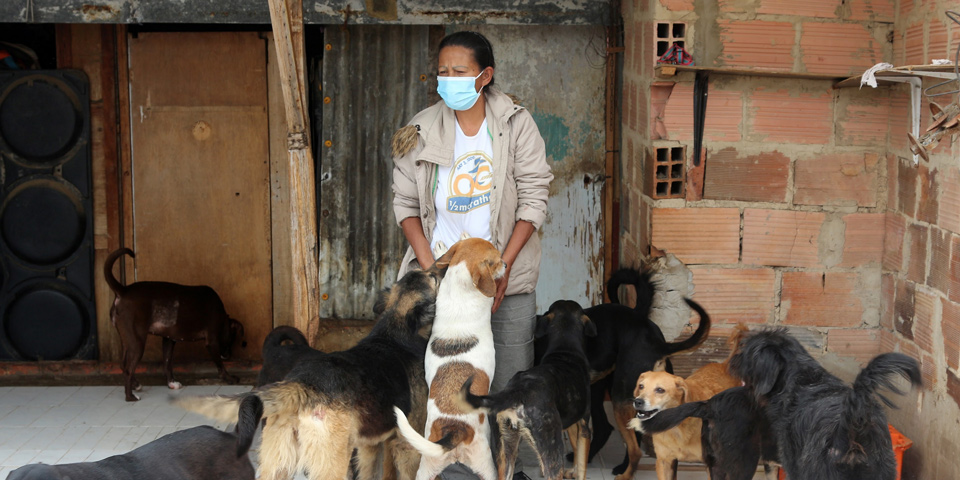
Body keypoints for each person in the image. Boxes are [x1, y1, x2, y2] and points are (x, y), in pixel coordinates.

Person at [391, 30, 553, 480]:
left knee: (508, 389)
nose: (448, 80)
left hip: (506, 278)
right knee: (440, 391)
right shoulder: (420, 129)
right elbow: (405, 206)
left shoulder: (516, 125)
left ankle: (504, 471)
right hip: (441, 285)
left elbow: (535, 199)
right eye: (442, 71)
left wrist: (503, 268)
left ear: (485, 76)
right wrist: (431, 270)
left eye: (458, 72)